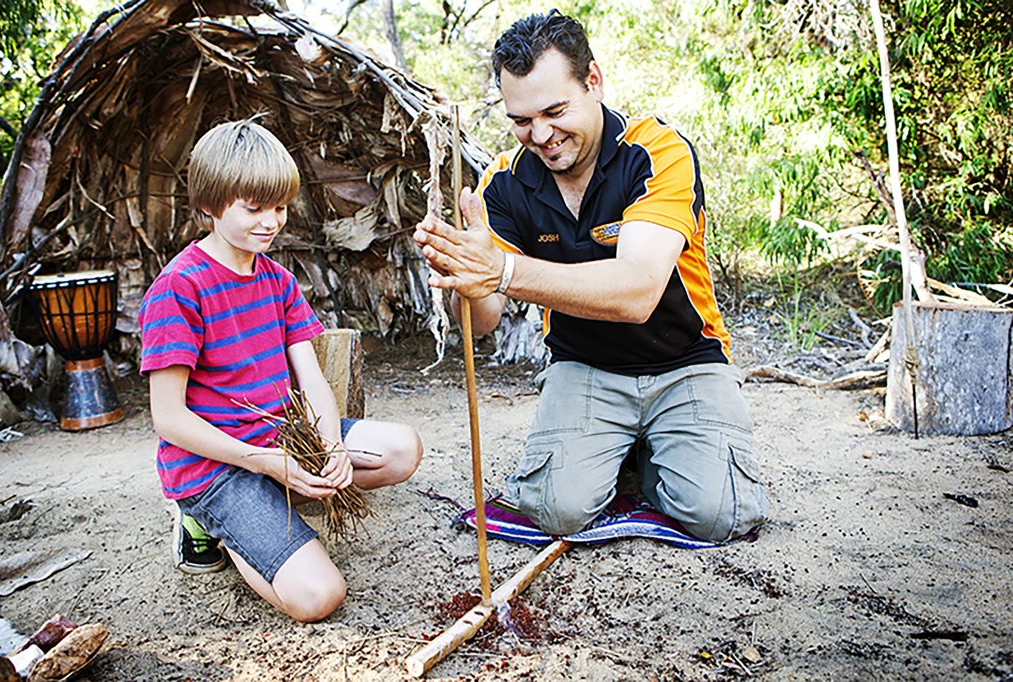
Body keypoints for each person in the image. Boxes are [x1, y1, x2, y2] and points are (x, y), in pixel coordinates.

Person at [414, 10, 767, 542]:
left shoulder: (658, 153)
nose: (541, 135)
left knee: (721, 515)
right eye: (520, 120)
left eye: (555, 111)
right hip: (583, 365)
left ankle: (642, 451)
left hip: (686, 361)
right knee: (558, 511)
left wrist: (503, 269)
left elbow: (638, 292)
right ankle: (625, 451)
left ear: (594, 82)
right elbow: (483, 320)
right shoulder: (502, 186)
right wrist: (460, 274)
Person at [139, 118, 422, 622]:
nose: (271, 221)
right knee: (318, 597)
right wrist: (259, 461)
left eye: (280, 207)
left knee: (402, 451)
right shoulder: (179, 288)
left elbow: (310, 379)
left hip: (283, 439)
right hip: (219, 464)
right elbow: (168, 418)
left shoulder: (278, 280)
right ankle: (209, 524)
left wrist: (330, 444)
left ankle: (268, 505)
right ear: (209, 203)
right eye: (254, 208)